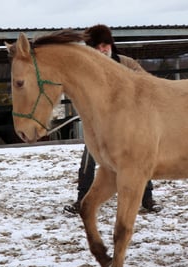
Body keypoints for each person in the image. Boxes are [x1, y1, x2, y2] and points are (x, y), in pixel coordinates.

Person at [64, 24, 155, 214]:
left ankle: (148, 199)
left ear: (111, 45)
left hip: (130, 126)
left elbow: (147, 84)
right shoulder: (85, 71)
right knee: (88, 160)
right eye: (96, 47)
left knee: (139, 159)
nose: (101, 50)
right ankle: (82, 199)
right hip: (100, 127)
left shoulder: (126, 63)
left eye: (104, 45)